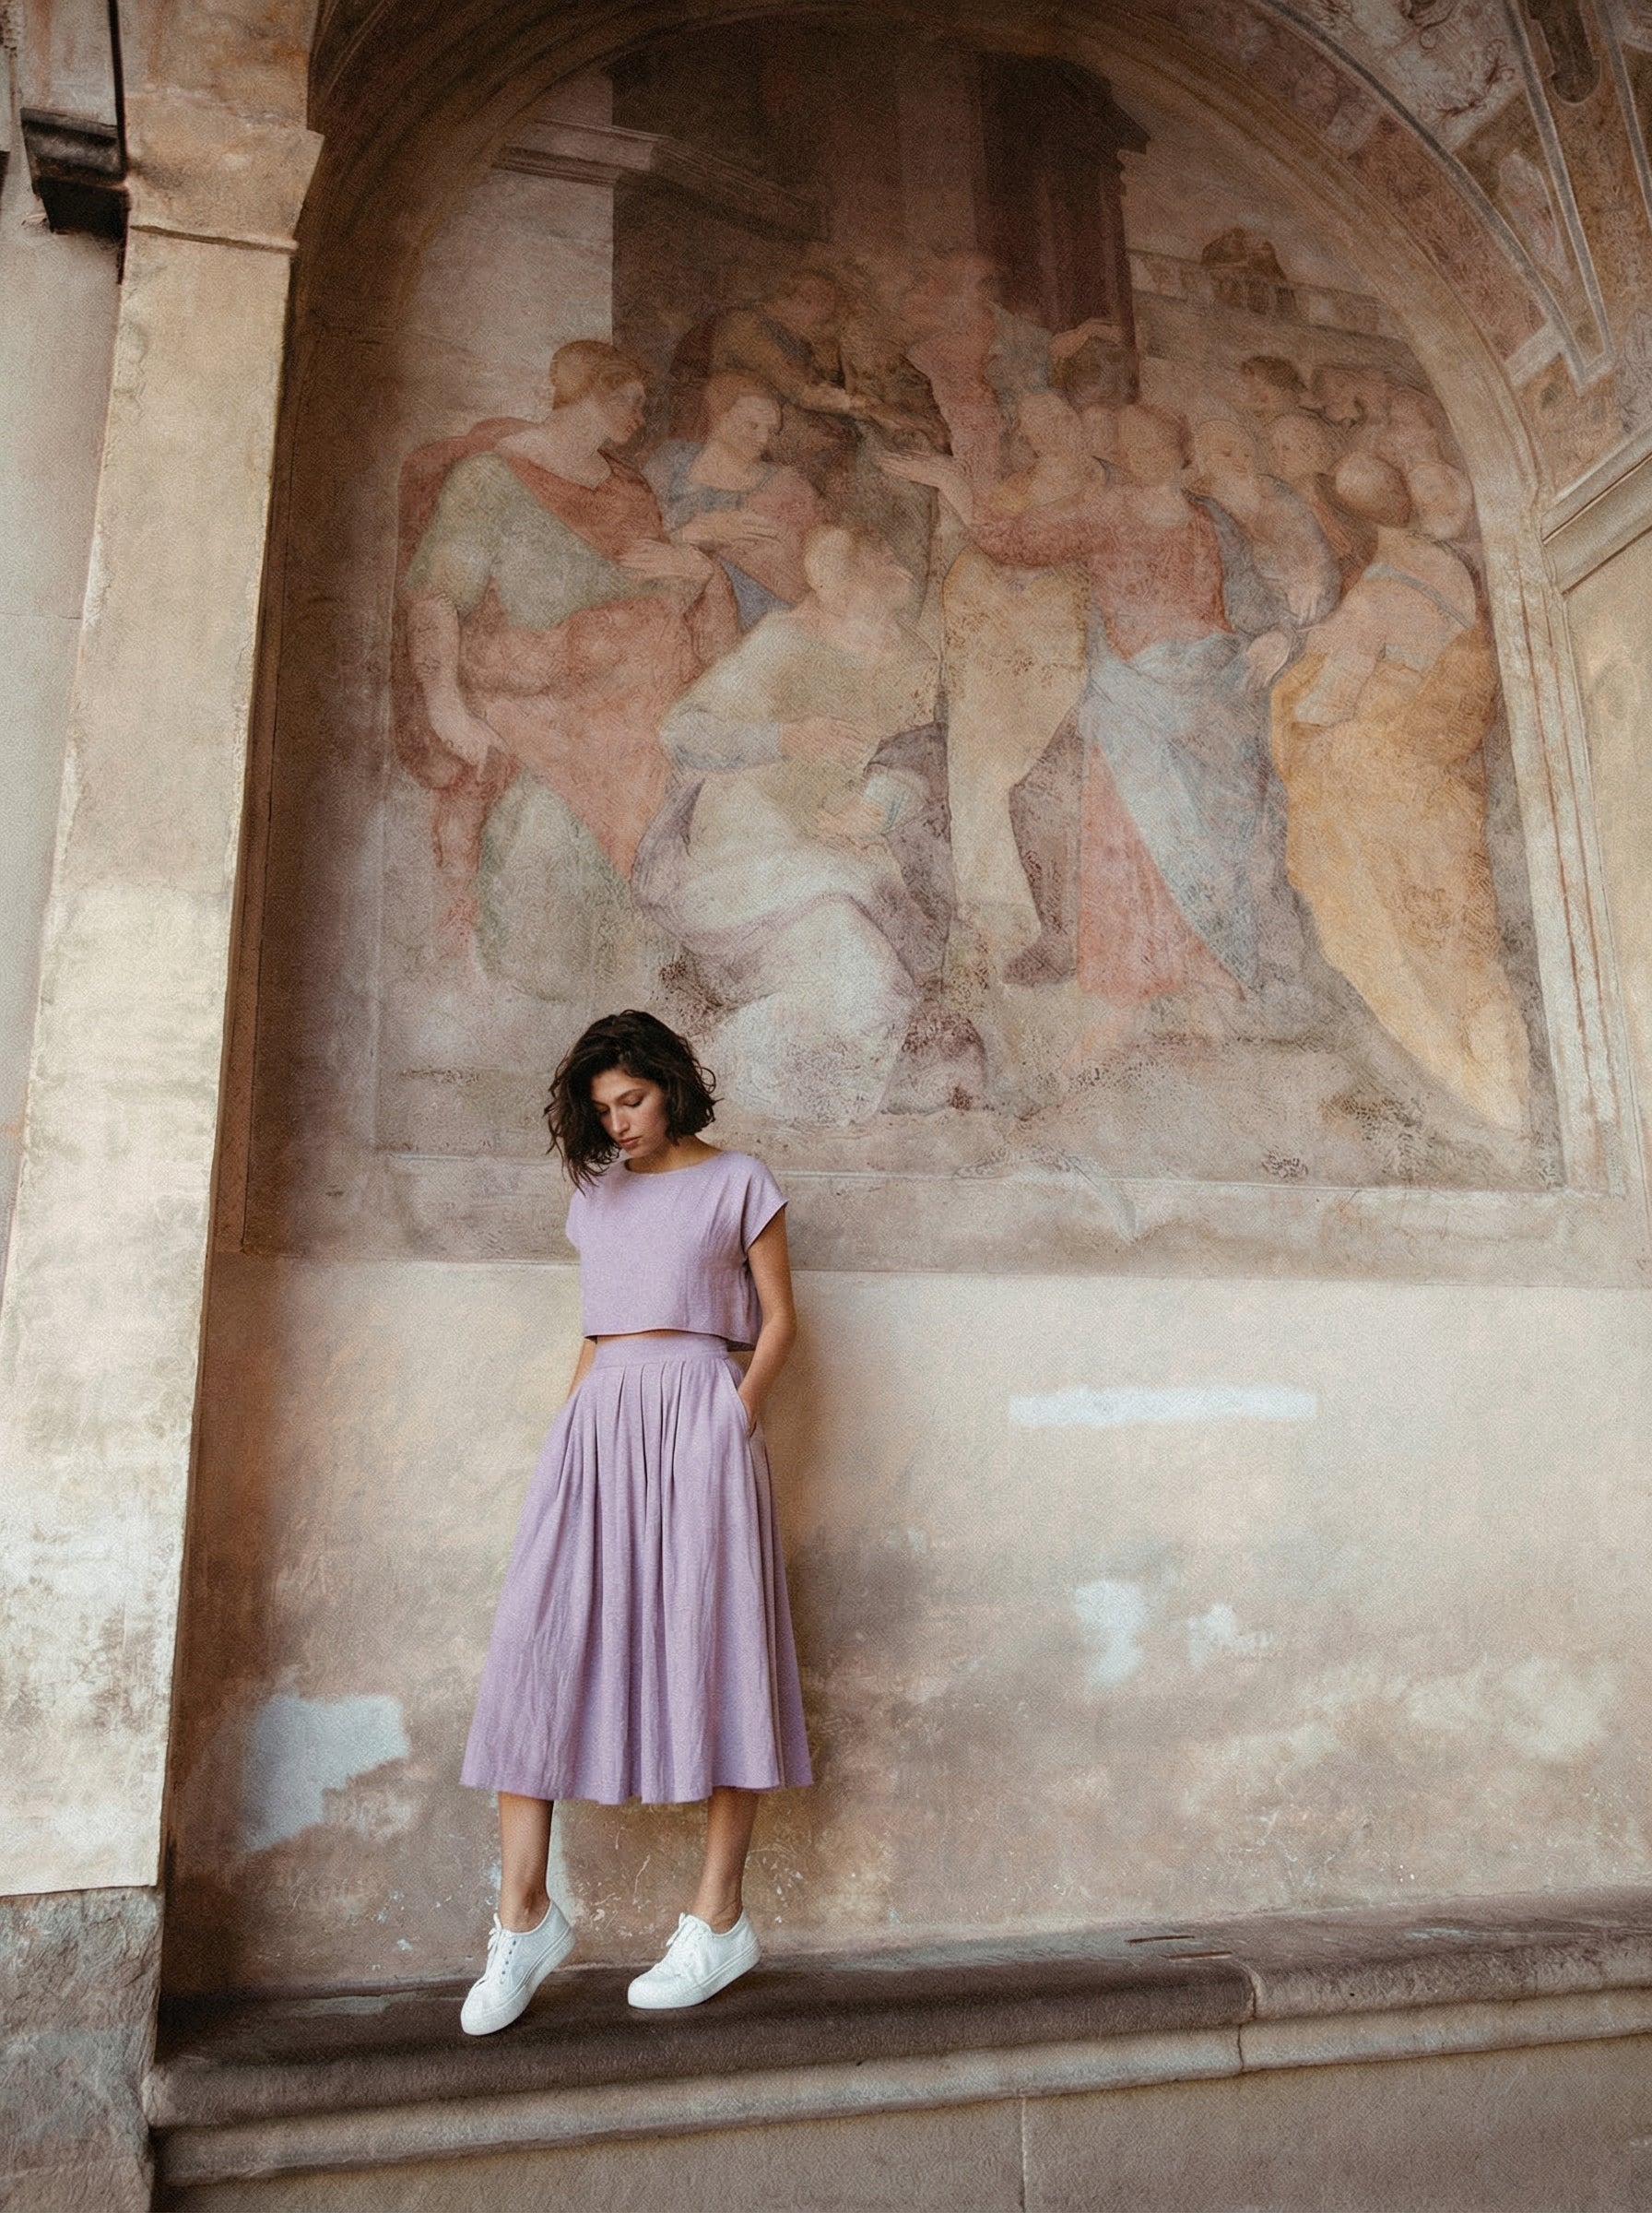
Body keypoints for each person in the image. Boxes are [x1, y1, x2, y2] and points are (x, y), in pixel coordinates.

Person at [459, 1010, 811, 2033]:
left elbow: (780, 1321)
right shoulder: (595, 1195)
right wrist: (566, 1441)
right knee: (536, 1647)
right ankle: (523, 1918)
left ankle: (718, 1917)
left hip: (701, 1416)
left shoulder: (739, 1180)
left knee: (720, 1649)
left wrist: (730, 1423)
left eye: (632, 1100)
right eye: (599, 1107)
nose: (616, 1122)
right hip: (599, 1421)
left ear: (671, 1087)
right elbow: (598, 1331)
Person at [399, 339, 736, 917]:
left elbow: (654, 591)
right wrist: (446, 709)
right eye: (626, 399)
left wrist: (696, 569)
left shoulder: (629, 487)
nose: (639, 414)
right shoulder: (491, 477)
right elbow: (437, 598)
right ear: (582, 394)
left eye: (643, 401)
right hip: (530, 681)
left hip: (629, 675)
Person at [634, 525, 956, 1125]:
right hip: (753, 853)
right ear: (834, 584)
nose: (889, 572)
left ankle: (743, 1089)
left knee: (875, 997)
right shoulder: (782, 643)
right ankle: (698, 1078)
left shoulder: (915, 659)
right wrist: (784, 737)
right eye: (870, 564)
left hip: (850, 857)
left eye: (888, 560)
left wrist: (884, 801)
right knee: (860, 986)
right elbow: (682, 731)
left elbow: (925, 755)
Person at [643, 372, 824, 629]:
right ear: (720, 416)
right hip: (672, 600)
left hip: (759, 615)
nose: (763, 439)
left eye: (771, 430)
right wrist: (690, 535)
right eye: (752, 425)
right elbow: (637, 537)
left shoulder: (788, 485)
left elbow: (809, 570)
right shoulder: (671, 460)